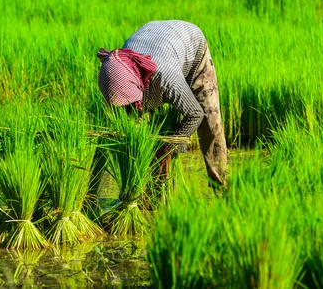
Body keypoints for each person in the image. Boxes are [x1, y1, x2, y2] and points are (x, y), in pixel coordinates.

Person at [97, 20, 227, 187]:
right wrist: (90, 195)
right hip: (153, 37)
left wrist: (167, 149)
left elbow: (195, 114)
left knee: (210, 120)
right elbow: (106, 140)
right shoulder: (115, 76)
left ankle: (221, 186)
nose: (123, 108)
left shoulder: (165, 77)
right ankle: (148, 188)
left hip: (191, 47)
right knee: (133, 135)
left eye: (128, 104)